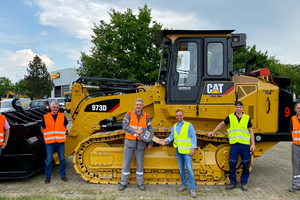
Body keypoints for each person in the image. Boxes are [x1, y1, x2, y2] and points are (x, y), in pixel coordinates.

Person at [208, 101, 255, 191]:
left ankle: (244, 183)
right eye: (237, 107)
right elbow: (221, 124)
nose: (238, 108)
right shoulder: (230, 117)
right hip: (234, 145)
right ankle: (233, 182)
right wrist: (213, 132)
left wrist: (253, 144)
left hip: (245, 145)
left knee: (245, 164)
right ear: (234, 108)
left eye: (240, 107)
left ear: (242, 108)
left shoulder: (247, 118)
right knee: (232, 164)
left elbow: (251, 131)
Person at [159, 109, 197, 198]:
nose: (179, 117)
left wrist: (193, 148)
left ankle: (192, 188)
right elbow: (171, 136)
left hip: (187, 151)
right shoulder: (175, 126)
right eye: (177, 116)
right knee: (181, 168)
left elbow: (194, 136)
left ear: (183, 116)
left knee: (189, 169)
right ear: (175, 117)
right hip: (179, 150)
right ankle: (184, 185)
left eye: (180, 115)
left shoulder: (188, 125)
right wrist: (164, 140)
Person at [118, 98, 153, 191]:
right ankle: (123, 183)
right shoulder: (129, 114)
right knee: (126, 163)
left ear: (142, 106)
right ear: (134, 105)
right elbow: (124, 125)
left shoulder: (146, 116)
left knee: (140, 164)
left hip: (141, 143)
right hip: (130, 142)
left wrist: (150, 141)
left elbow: (149, 129)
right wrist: (135, 131)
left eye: (140, 105)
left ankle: (140, 183)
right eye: (137, 104)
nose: (138, 106)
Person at [41, 101, 68, 184]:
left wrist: (63, 133)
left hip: (60, 141)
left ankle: (63, 175)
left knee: (62, 159)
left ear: (58, 108)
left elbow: (65, 126)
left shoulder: (62, 116)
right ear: (51, 107)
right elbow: (42, 128)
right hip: (49, 142)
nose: (55, 109)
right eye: (54, 107)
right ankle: (48, 176)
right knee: (49, 159)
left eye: (57, 107)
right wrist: (46, 136)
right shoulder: (45, 117)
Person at [288, 102, 300, 192]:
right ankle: (296, 185)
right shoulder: (292, 119)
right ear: (295, 110)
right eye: (298, 108)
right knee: (296, 165)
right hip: (296, 146)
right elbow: (291, 130)